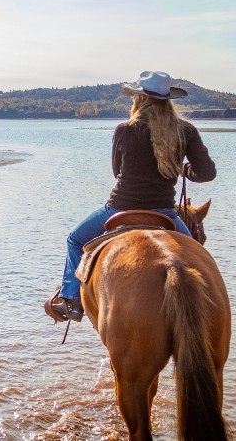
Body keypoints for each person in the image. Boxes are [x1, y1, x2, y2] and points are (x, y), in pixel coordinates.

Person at [46, 71, 217, 322]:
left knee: (74, 240)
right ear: (168, 99)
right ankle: (206, 306)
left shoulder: (125, 130)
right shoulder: (186, 131)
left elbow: (117, 172)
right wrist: (184, 170)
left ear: (139, 99)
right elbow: (207, 173)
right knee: (195, 255)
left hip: (118, 209)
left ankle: (71, 301)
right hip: (165, 213)